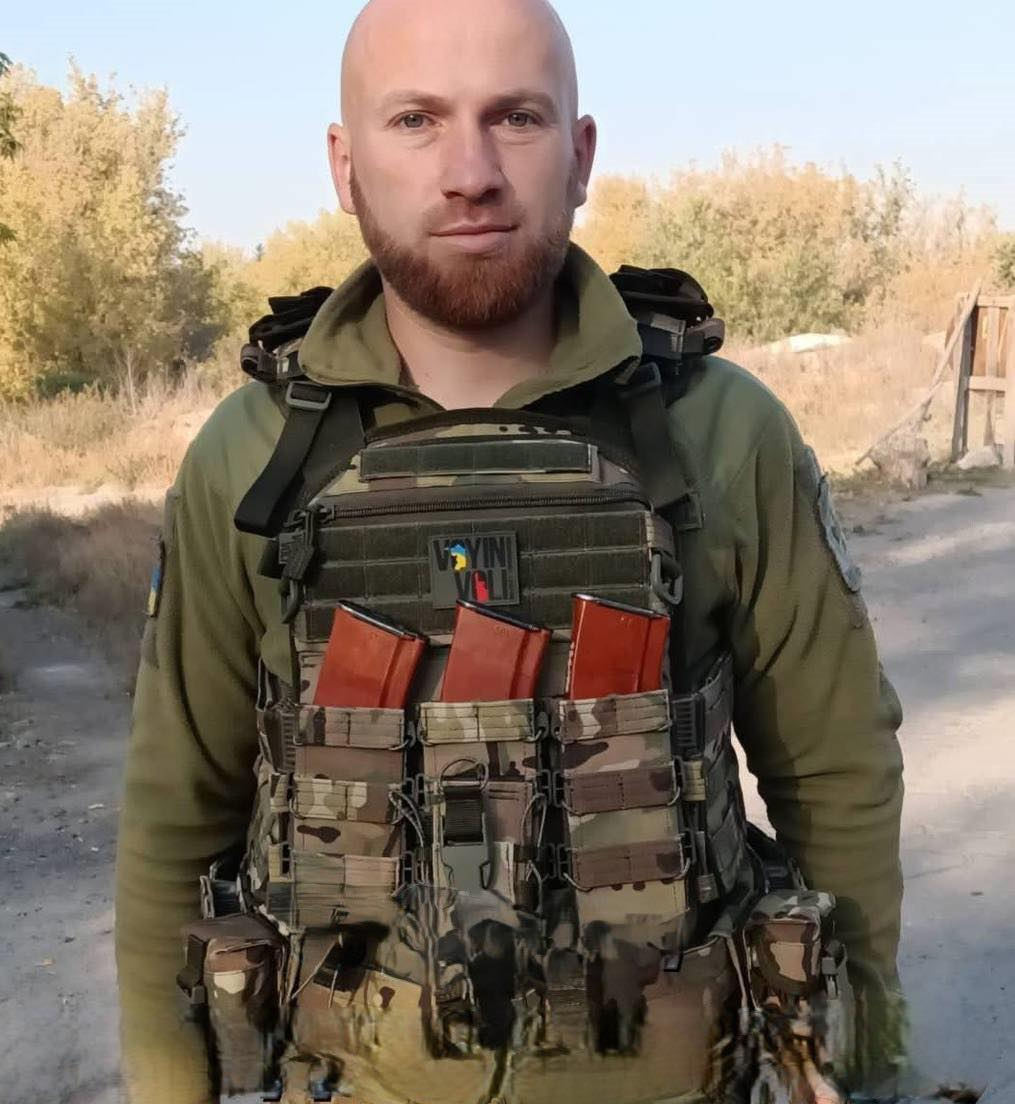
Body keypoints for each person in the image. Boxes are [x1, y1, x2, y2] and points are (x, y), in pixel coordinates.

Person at [114, 1, 906, 1102]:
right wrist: (168, 1084)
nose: (469, 173)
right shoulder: (248, 458)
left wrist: (865, 1063)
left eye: (516, 117)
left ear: (579, 155)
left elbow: (835, 770)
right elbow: (175, 810)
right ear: (345, 165)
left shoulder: (722, 432)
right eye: (415, 120)